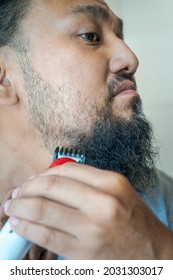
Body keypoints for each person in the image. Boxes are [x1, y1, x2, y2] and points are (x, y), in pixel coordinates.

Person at [0, 0, 173, 260]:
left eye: (120, 36)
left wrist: (159, 253)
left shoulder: (154, 199)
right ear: (3, 78)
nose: (131, 59)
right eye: (90, 36)